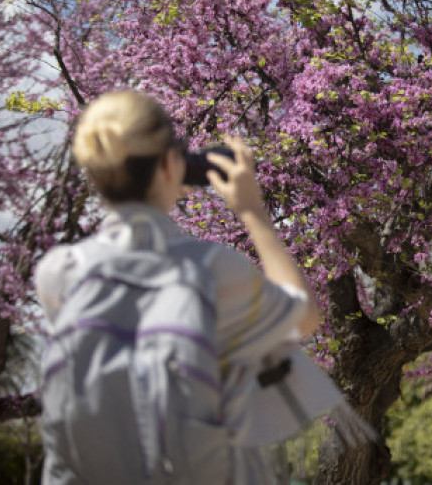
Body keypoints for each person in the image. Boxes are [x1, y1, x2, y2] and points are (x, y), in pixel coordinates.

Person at [35, 89, 323, 483]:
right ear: (172, 164)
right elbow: (303, 315)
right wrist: (253, 212)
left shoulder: (58, 273)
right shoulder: (209, 269)